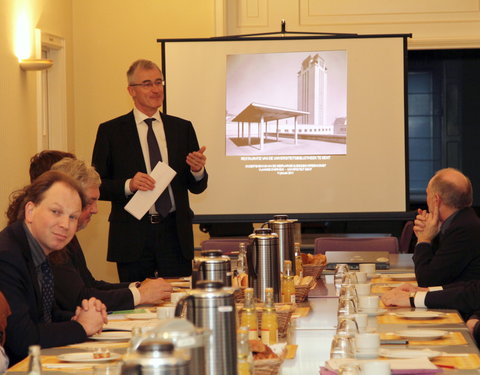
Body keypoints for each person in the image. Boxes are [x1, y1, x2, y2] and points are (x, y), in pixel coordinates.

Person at [92, 59, 208, 281]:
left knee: (178, 303)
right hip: (132, 236)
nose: (156, 89)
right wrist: (129, 185)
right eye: (147, 84)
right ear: (131, 91)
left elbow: (198, 187)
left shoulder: (181, 128)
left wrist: (197, 170)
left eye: (158, 82)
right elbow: (96, 185)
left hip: (175, 233)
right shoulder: (111, 131)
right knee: (136, 304)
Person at [27, 154, 173, 311]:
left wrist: (138, 287)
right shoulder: (52, 236)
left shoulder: (67, 234)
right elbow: (77, 299)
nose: (95, 209)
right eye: (90, 201)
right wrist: (139, 295)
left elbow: (90, 285)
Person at [0, 171, 107, 365]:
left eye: (73, 217)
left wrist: (82, 315)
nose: (65, 224)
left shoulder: (39, 248)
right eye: (56, 212)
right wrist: (81, 327)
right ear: (30, 211)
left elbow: (46, 316)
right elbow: (21, 340)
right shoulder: (6, 256)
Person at [412, 168, 480, 287]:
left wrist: (424, 240)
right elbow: (437, 267)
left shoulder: (464, 229)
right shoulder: (460, 221)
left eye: (427, 194)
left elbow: (426, 280)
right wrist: (433, 233)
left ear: (436, 200)